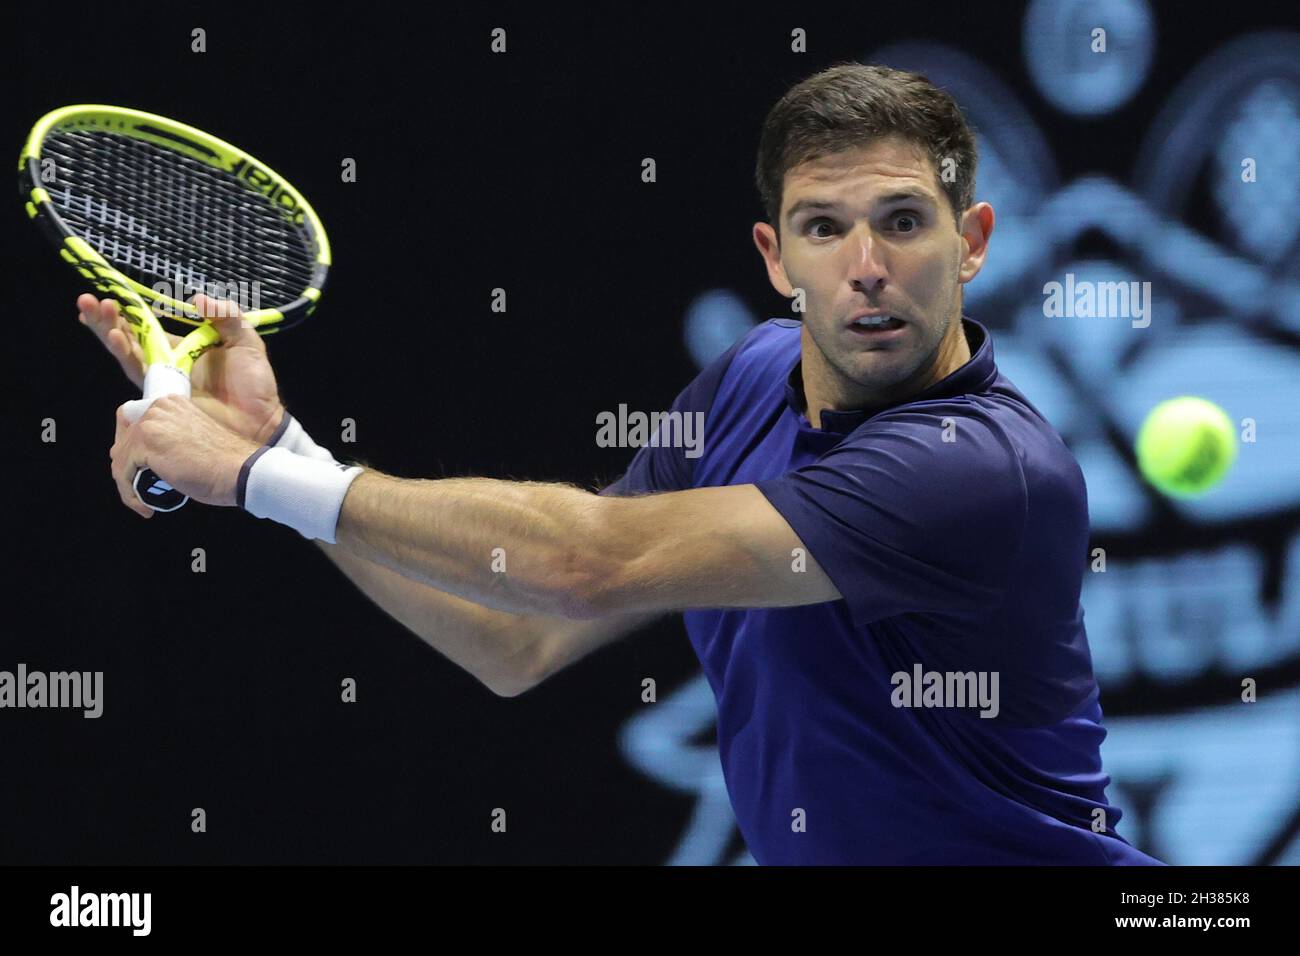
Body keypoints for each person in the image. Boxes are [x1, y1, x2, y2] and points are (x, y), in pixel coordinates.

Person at [86, 62, 1163, 865]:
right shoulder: (750, 377)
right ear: (773, 256)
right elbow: (523, 632)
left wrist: (254, 477)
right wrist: (285, 453)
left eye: (903, 222)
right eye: (824, 229)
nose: (868, 268)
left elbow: (583, 562)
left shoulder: (977, 469)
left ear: (972, 240)